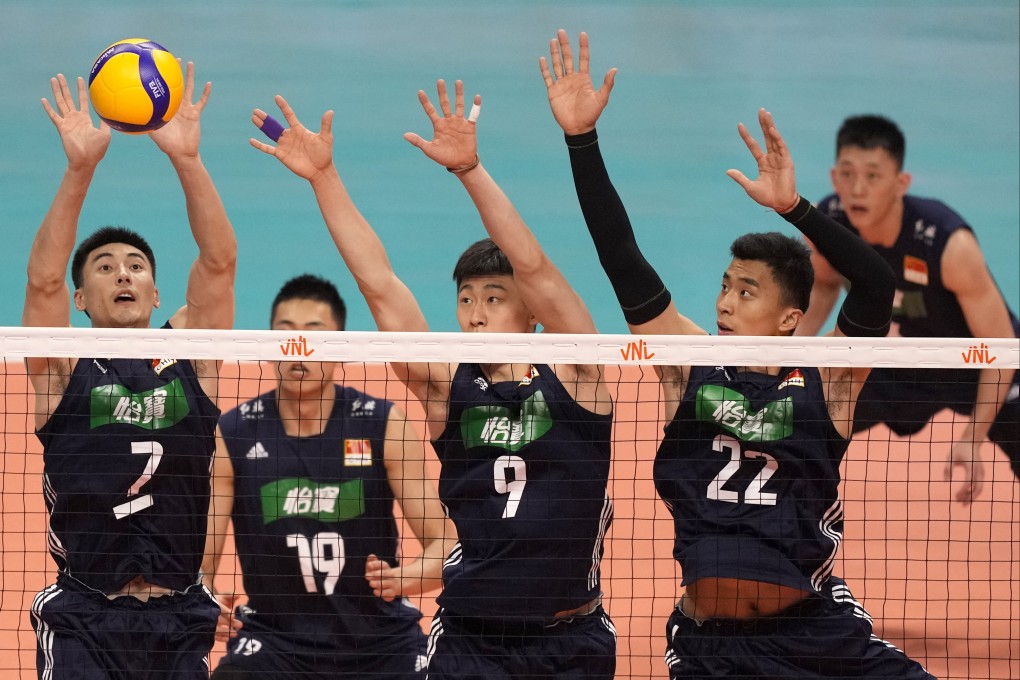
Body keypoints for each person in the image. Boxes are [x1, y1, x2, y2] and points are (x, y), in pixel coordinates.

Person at [542, 30, 935, 679]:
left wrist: (795, 207)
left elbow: (876, 285)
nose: (726, 301)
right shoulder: (688, 364)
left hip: (815, 634)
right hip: (713, 645)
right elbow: (620, 256)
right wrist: (581, 141)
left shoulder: (825, 379)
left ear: (790, 317)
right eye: (725, 285)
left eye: (746, 290)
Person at [247, 80, 617, 679]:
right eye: (466, 298)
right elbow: (380, 282)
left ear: (534, 316)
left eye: (494, 298)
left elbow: (535, 265)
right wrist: (325, 179)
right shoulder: (446, 384)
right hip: (468, 640)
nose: (474, 311)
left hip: (569, 641)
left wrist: (470, 169)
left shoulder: (577, 374)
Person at [24, 65, 236, 678]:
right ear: (82, 300)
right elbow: (41, 282)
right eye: (105, 267)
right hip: (85, 619)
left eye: (136, 265)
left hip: (178, 618)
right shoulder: (63, 369)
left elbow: (219, 264)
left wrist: (189, 161)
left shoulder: (194, 357)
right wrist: (79, 170)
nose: (123, 273)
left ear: (154, 289)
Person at [201, 274, 456, 679]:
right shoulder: (234, 432)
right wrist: (203, 603)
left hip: (381, 644)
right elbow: (205, 560)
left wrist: (401, 580)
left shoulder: (383, 425)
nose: (298, 349)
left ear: (340, 345)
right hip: (275, 644)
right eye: (285, 334)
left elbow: (446, 545)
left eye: (314, 335)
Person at [796, 114, 1019, 502]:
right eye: (847, 175)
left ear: (901, 183)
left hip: (978, 364)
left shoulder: (947, 243)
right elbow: (824, 285)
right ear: (834, 178)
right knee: (803, 416)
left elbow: (1001, 348)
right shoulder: (829, 223)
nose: (858, 189)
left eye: (873, 175)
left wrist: (973, 438)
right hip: (903, 365)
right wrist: (785, 360)